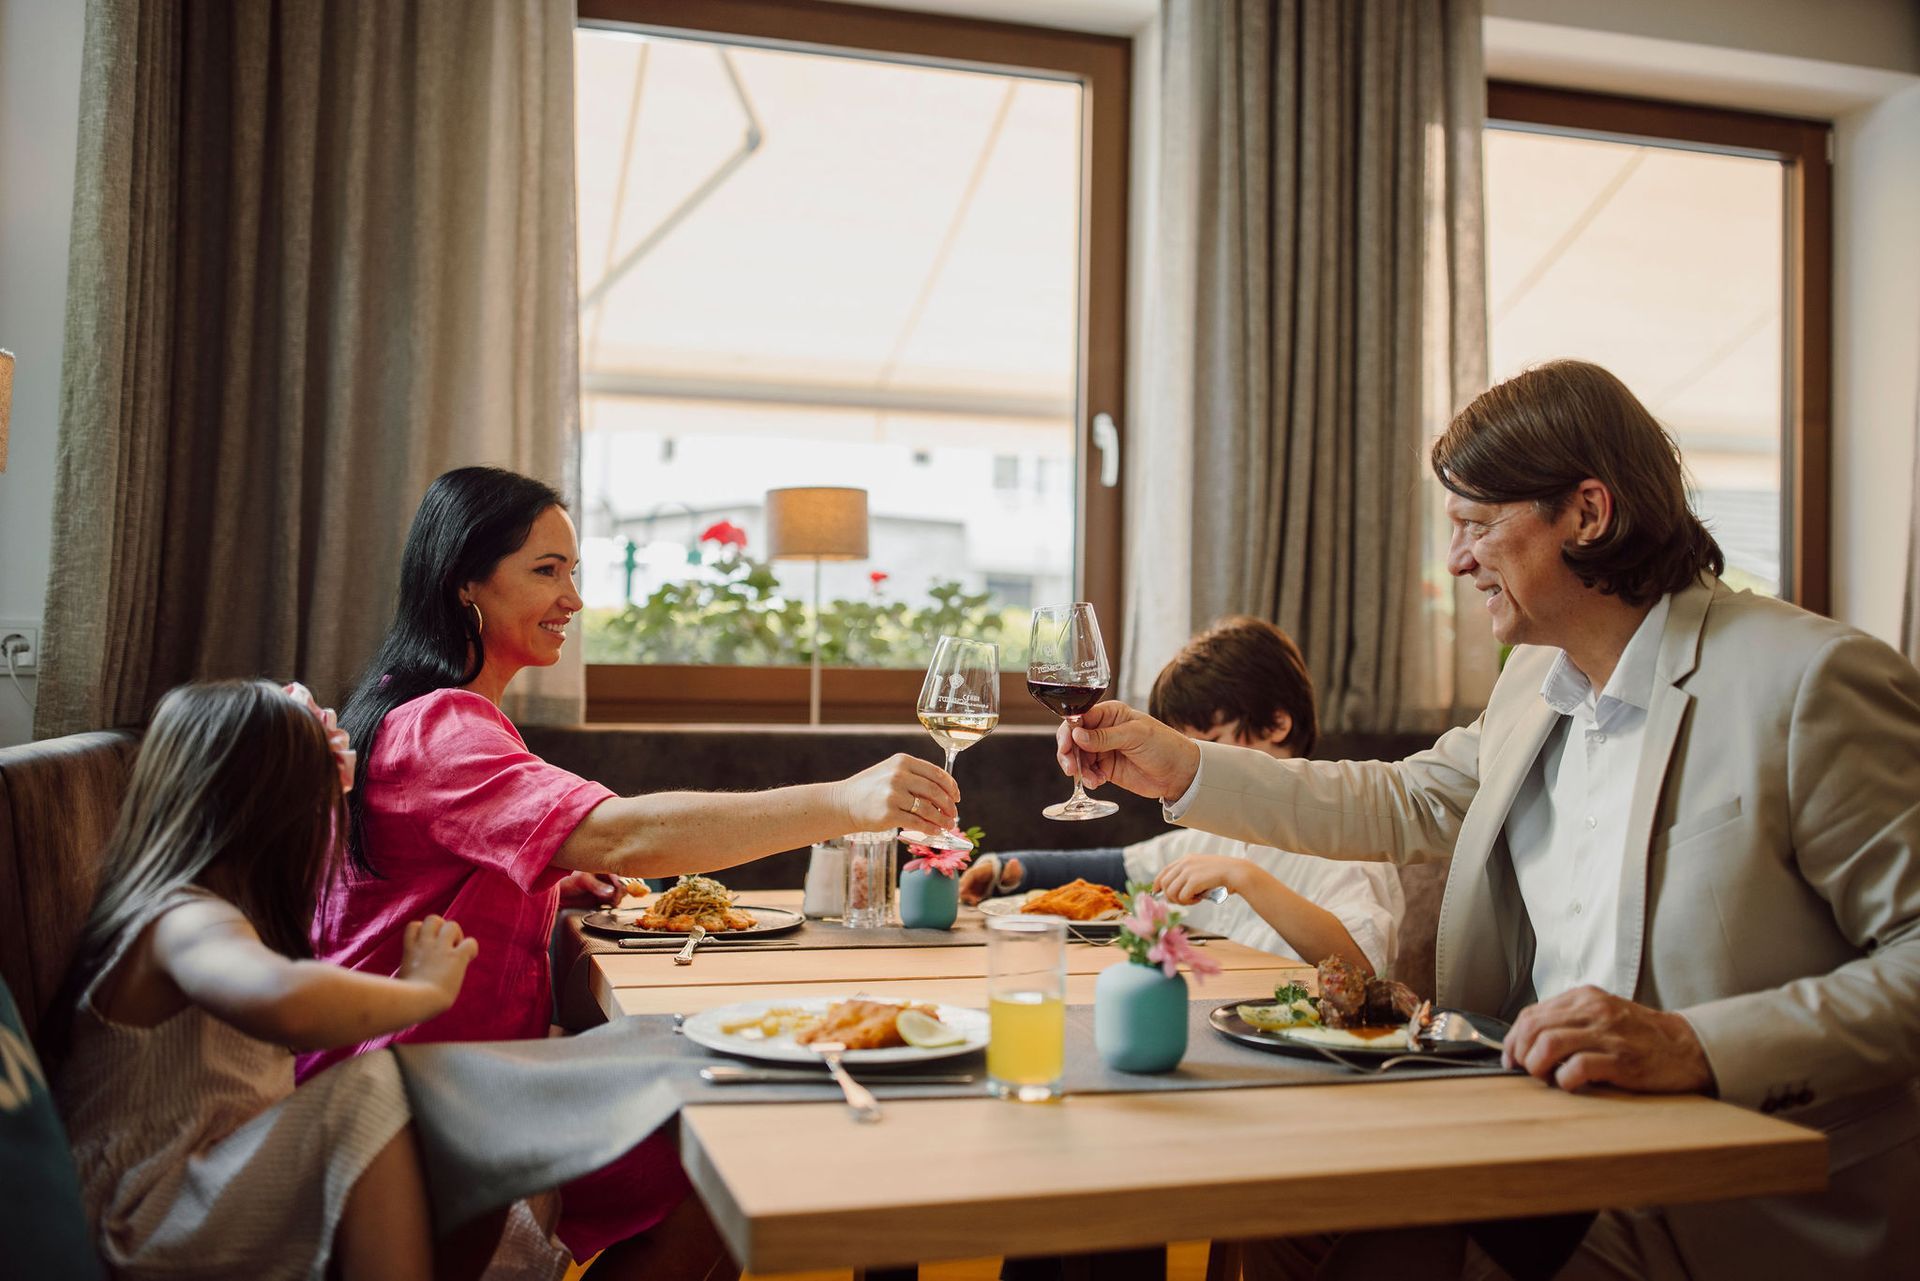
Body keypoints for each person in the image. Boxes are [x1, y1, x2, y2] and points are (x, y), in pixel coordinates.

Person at [1052, 361, 1920, 1279]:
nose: (1457, 561)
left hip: (1733, 1196)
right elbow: (1405, 798)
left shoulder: (1808, 680)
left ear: (1587, 513)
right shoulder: (1532, 687)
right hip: (1541, 1142)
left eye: (1475, 525)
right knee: (1279, 1201)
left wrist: (1695, 1045)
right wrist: (1179, 762)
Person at [303, 466, 958, 1279]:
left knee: (718, 1101)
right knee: (730, 1130)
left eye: (573, 571)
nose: (572, 598)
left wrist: (537, 882)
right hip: (413, 1097)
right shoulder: (442, 724)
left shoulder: (422, 706)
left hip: (443, 1074)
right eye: (546, 570)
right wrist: (844, 799)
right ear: (463, 580)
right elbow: (623, 835)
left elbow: (432, 878)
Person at [49, 680, 560, 1280]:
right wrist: (422, 992)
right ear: (272, 810)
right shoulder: (182, 918)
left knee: (495, 1151)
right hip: (142, 1217)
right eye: (327, 803)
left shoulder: (228, 913)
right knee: (370, 1089)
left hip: (214, 1180)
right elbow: (281, 999)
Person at [960, 616, 1402, 975]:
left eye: (1208, 743)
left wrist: (1246, 878)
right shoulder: (1220, 830)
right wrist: (1008, 868)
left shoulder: (1350, 836)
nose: (1195, 765)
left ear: (1276, 725)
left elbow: (1361, 965)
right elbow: (1120, 870)